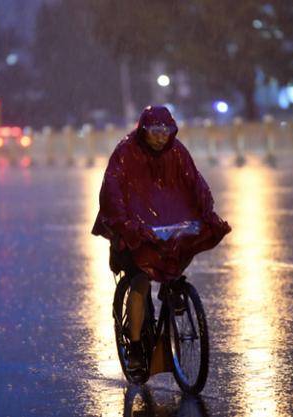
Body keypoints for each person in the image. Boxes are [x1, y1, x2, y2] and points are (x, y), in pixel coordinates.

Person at [92, 105, 230, 371]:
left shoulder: (177, 152)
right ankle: (133, 348)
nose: (161, 137)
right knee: (140, 282)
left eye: (166, 130)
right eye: (155, 131)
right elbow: (112, 193)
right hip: (132, 230)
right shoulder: (125, 153)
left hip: (163, 227)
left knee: (174, 266)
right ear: (144, 130)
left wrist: (207, 212)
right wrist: (127, 226)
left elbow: (195, 184)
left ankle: (172, 293)